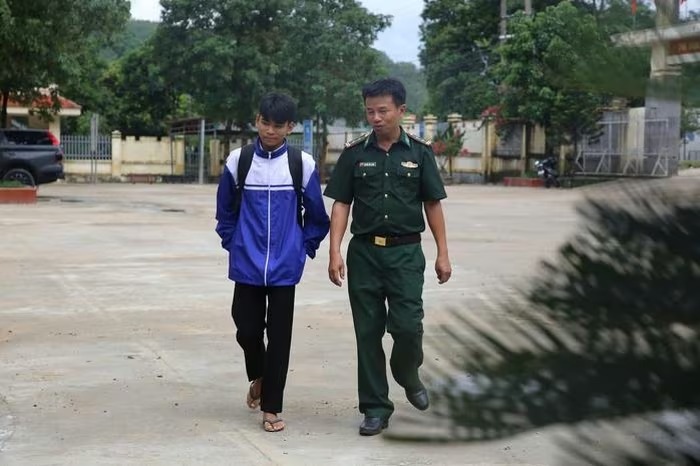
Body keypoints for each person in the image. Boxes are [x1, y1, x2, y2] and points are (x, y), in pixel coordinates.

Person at [323, 78, 451, 436]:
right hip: (364, 254)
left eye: (383, 111)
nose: (376, 118)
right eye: (370, 112)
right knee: (367, 333)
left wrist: (443, 253)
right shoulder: (354, 153)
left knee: (407, 327)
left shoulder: (420, 153)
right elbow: (341, 203)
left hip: (406, 254)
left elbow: (432, 204)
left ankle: (407, 373)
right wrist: (334, 251)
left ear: (401, 110)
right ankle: (375, 408)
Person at [215, 93, 330, 433]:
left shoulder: (301, 164)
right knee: (247, 329)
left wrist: (301, 249)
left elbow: (317, 217)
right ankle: (259, 376)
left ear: (290, 127)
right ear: (257, 120)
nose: (269, 130)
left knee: (279, 339)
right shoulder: (239, 161)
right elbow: (225, 211)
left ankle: (272, 408)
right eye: (265, 123)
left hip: (284, 268)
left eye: (278, 125)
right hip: (246, 264)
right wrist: (234, 243)